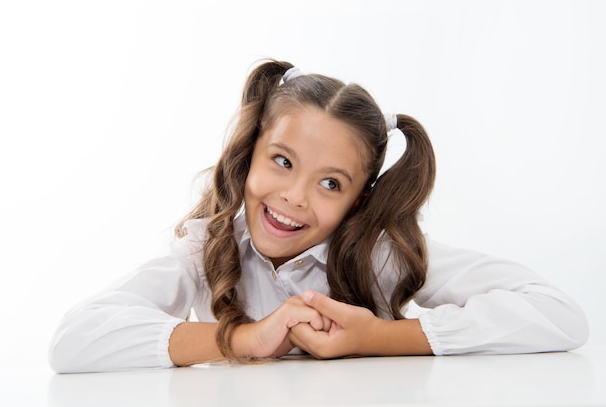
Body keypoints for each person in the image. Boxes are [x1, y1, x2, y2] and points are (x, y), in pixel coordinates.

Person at [48, 60, 589, 373]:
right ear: (250, 154)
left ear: (357, 200)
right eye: (282, 161)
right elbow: (75, 339)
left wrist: (378, 337)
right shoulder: (205, 248)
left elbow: (558, 314)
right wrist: (242, 339)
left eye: (330, 182)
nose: (295, 196)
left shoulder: (377, 254)